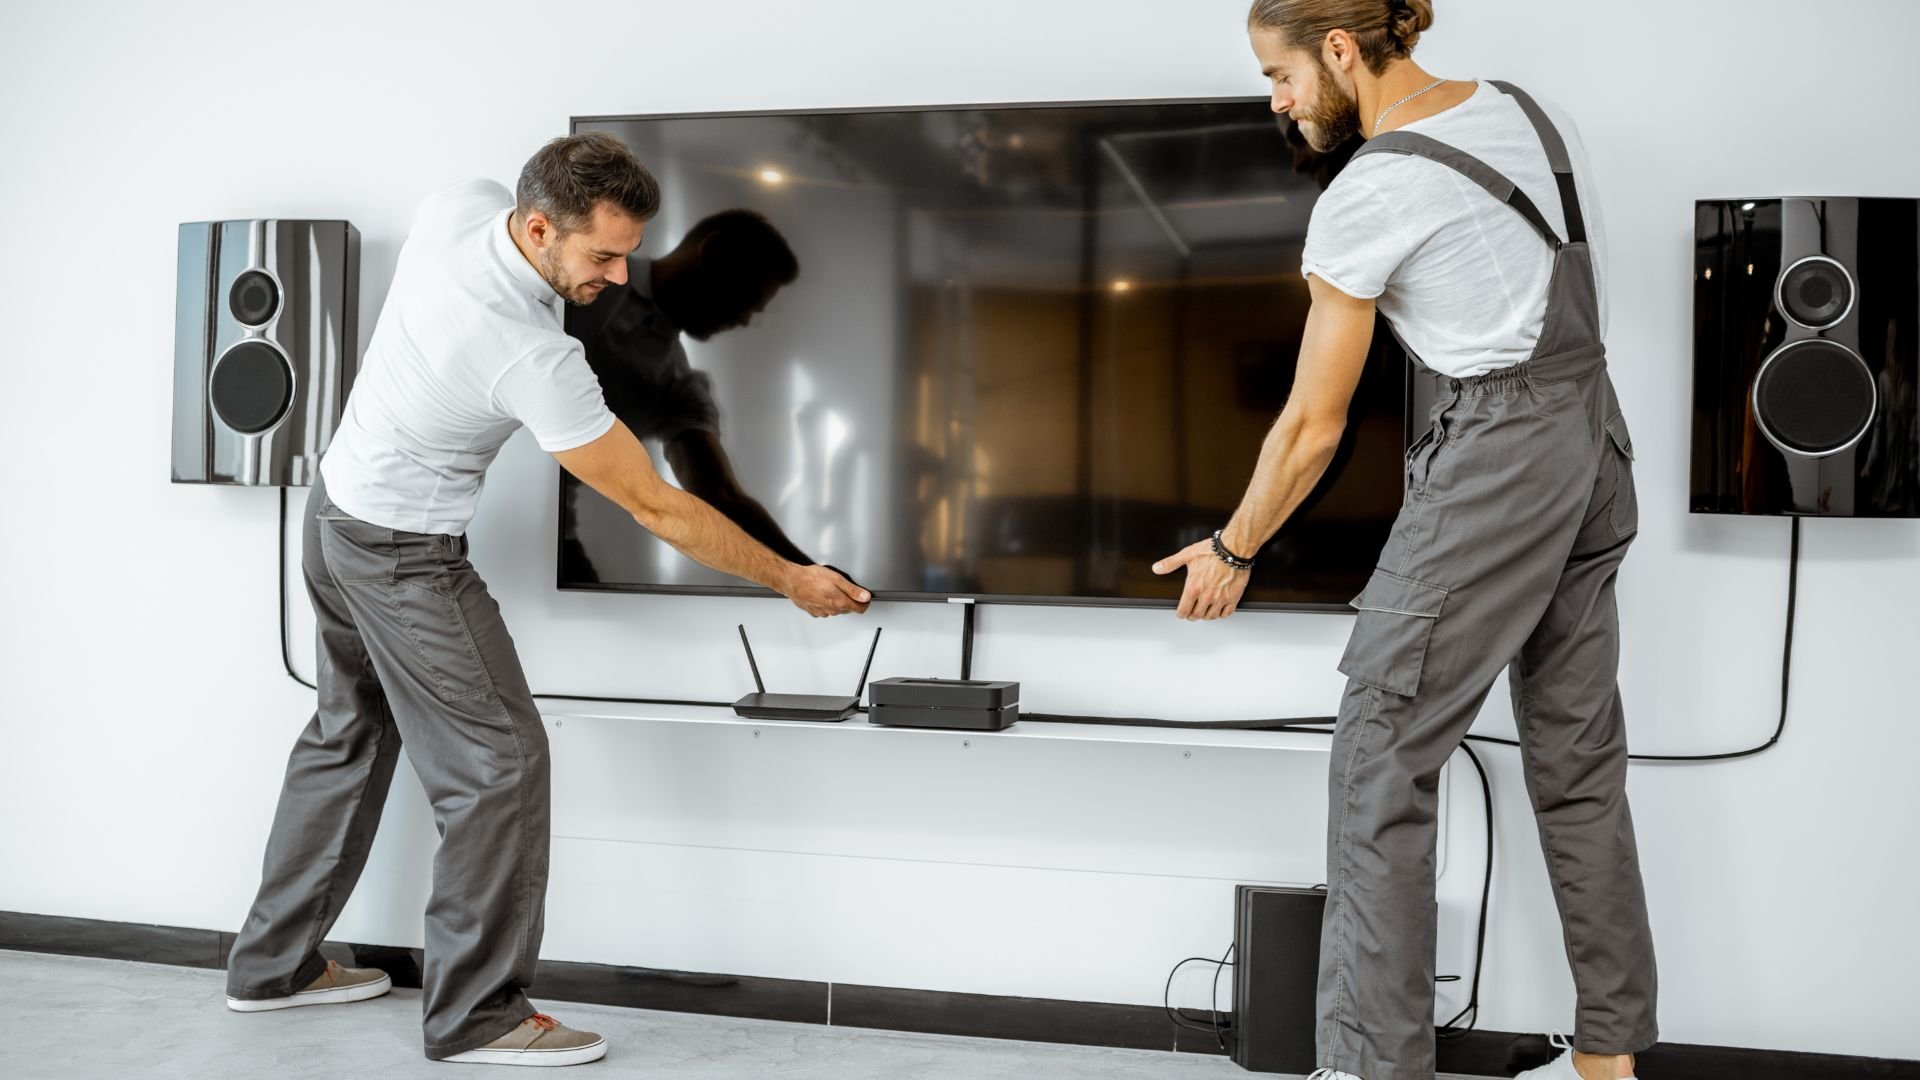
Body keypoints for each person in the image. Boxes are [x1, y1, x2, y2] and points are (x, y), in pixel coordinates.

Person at [223, 132, 869, 1068]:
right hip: (401, 548)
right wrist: (790, 577)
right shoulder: (528, 352)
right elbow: (656, 503)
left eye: (629, 254)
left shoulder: (460, 206)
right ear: (535, 227)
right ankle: (479, 1016)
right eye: (601, 254)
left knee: (350, 730)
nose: (615, 273)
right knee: (503, 764)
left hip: (337, 503)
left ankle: (272, 967)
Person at [1153, 3, 1655, 1079]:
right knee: (1577, 764)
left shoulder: (1371, 193)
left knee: (1381, 764)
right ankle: (1608, 1060)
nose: (1276, 101)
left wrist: (1234, 548)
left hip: (1501, 459)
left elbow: (1310, 424)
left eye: (1280, 75)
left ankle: (1375, 1071)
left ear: (1341, 51)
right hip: (1594, 439)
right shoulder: (1530, 112)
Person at [564, 208, 816, 567]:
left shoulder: (681, 390)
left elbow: (721, 494)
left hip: (552, 545)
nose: (744, 319)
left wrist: (806, 572)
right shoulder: (582, 272)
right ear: (713, 251)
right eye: (746, 296)